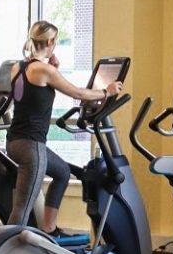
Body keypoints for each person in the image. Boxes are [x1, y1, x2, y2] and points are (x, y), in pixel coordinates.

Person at [6, 20, 122, 237]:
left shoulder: (18, 68)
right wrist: (107, 91)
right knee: (22, 208)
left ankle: (49, 229)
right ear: (50, 41)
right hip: (31, 146)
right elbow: (78, 93)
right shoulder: (43, 70)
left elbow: (34, 93)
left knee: (62, 172)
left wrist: (54, 69)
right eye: (55, 41)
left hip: (14, 142)